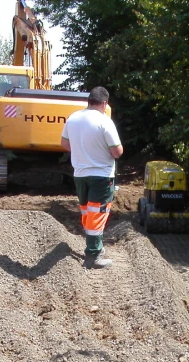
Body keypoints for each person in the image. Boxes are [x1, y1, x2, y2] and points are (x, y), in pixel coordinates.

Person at [60, 86, 124, 269]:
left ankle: (96, 246)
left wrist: (82, 150)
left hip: (80, 174)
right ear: (104, 103)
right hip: (101, 175)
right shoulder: (104, 121)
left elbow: (64, 143)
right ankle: (93, 256)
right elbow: (117, 151)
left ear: (89, 101)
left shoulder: (73, 118)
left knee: (88, 213)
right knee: (97, 215)